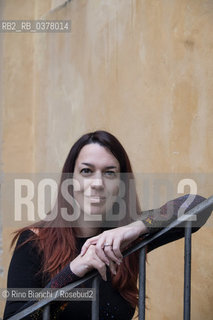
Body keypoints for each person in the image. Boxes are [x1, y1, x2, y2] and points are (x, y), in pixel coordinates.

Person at [3, 130, 212, 320]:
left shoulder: (126, 240)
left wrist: (136, 227)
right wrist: (72, 272)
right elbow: (16, 317)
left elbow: (199, 207)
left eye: (110, 172)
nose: (97, 184)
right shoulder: (35, 241)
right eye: (86, 171)